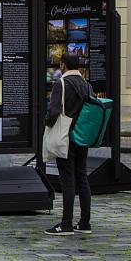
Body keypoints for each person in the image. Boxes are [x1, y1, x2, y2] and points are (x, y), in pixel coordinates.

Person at [44, 53, 93, 236]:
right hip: (81, 136)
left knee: (67, 179)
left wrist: (46, 123)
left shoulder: (61, 84)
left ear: (63, 65)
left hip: (65, 136)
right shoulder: (86, 84)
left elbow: (53, 112)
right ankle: (85, 222)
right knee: (82, 177)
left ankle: (66, 223)